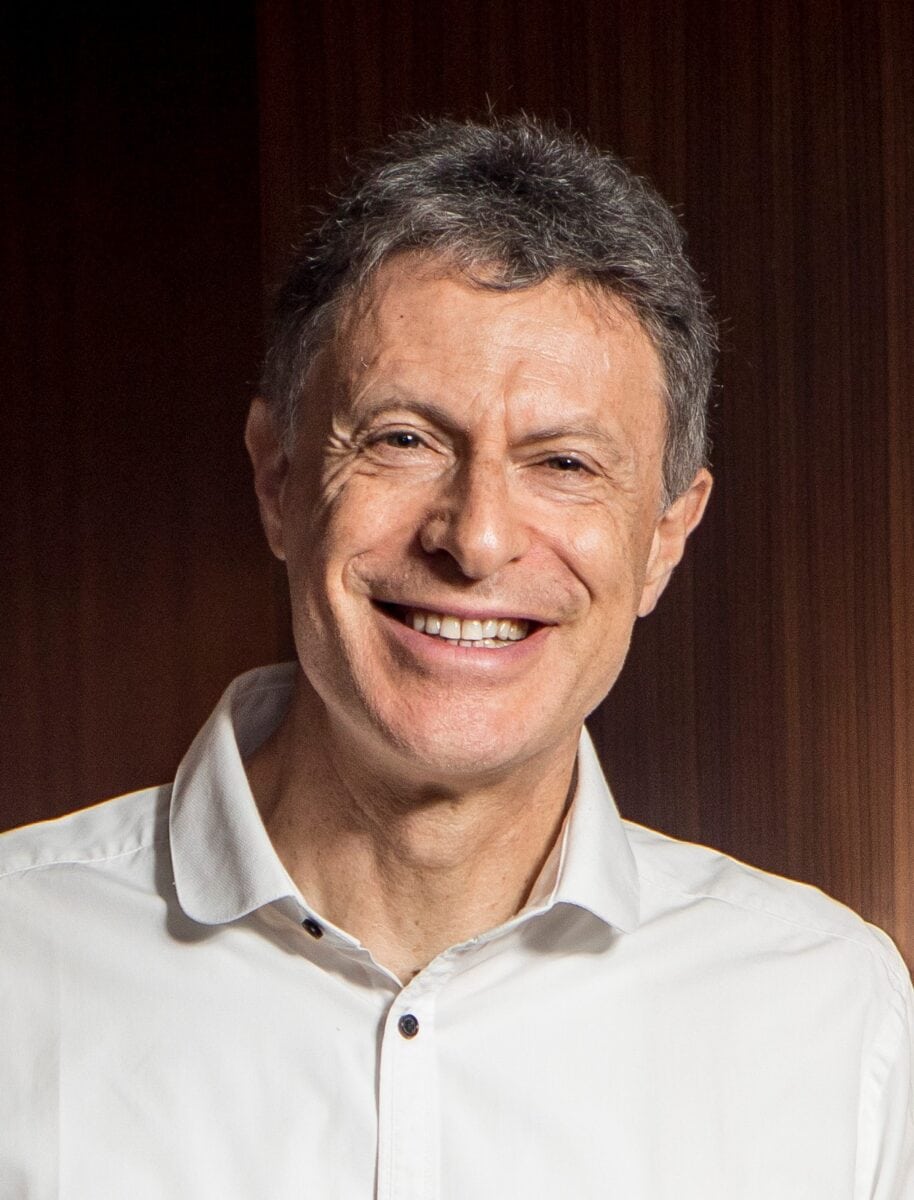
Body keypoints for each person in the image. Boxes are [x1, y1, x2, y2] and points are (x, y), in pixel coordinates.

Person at [1, 116, 911, 1198]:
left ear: (666, 536)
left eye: (564, 463)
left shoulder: (831, 1017)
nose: (475, 540)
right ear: (278, 479)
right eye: (403, 440)